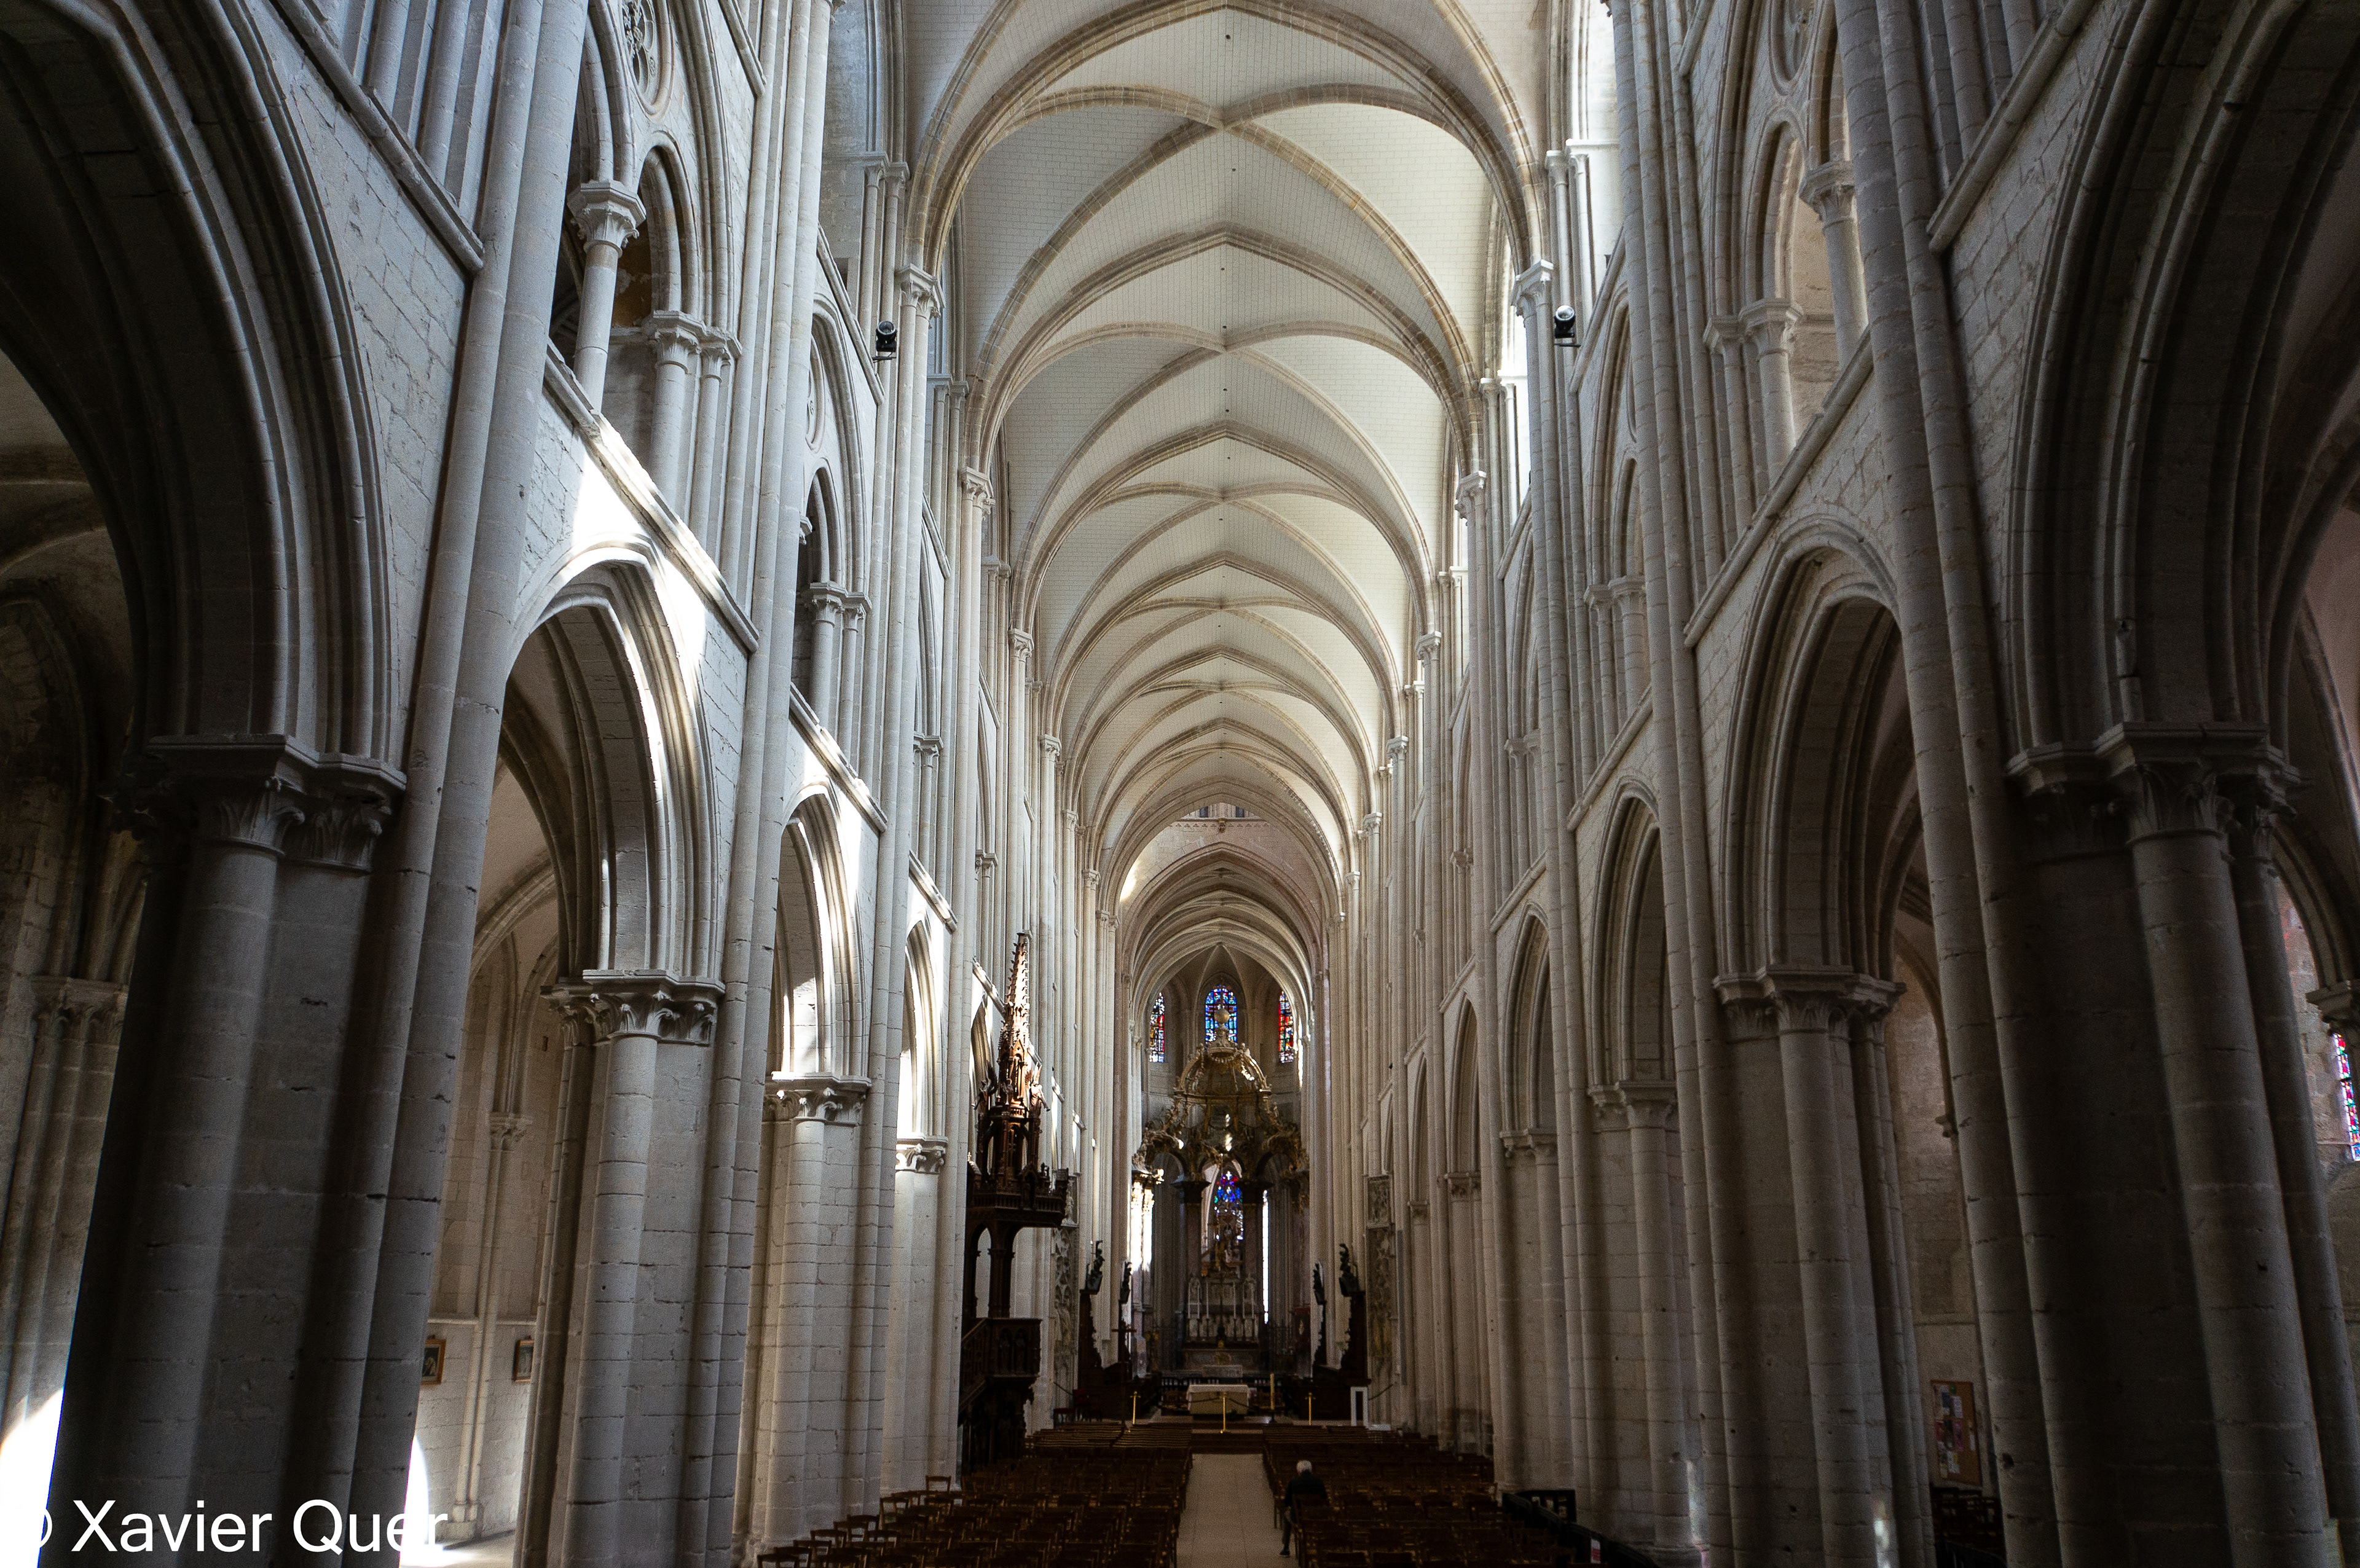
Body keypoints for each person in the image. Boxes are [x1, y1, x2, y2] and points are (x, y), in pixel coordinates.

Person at [1280, 1459, 1327, 1556]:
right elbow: (1325, 1499)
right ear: (1311, 1470)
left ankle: (1286, 1548)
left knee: (1286, 1516)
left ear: (1299, 1471)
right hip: (1316, 1516)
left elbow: (1287, 1502)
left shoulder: (1293, 1482)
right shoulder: (1319, 1481)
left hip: (1299, 1518)